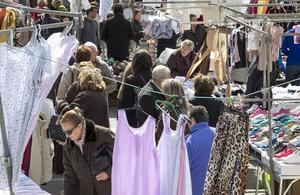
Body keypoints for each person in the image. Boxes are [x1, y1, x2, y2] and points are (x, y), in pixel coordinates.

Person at [60, 107, 114, 195]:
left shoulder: (105, 135)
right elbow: (69, 177)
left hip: (108, 190)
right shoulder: (68, 146)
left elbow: (124, 157)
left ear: (79, 126)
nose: (67, 136)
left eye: (69, 132)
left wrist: (109, 172)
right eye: (64, 132)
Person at [118, 50, 153, 127]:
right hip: (151, 120)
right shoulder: (155, 78)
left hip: (135, 120)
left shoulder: (131, 80)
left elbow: (126, 104)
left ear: (134, 63)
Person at [185, 105, 215, 195]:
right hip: (216, 187)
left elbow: (185, 170)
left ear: (193, 121)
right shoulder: (219, 134)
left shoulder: (189, 141)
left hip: (196, 189)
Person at [138, 65, 171, 140]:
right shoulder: (147, 96)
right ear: (161, 80)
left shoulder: (155, 89)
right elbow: (146, 121)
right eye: (168, 78)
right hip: (150, 137)